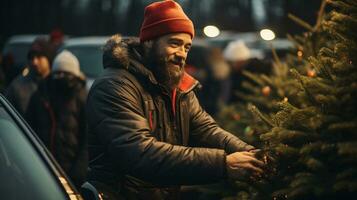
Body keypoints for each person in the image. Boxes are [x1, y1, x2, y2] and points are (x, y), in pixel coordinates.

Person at [86, 1, 264, 199]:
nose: (182, 54)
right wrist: (223, 164)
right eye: (174, 43)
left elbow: (207, 130)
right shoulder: (114, 86)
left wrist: (251, 153)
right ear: (149, 42)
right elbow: (140, 154)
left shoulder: (178, 88)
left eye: (187, 47)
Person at [26, 50, 88, 188]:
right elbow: (28, 130)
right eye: (57, 73)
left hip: (72, 174)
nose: (61, 77)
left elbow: (88, 139)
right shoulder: (40, 96)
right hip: (42, 171)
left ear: (75, 76)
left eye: (66, 74)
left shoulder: (82, 99)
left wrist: (78, 171)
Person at [5, 37, 53, 116]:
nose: (34, 62)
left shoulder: (58, 84)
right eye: (31, 57)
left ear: (48, 58)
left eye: (39, 57)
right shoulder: (17, 86)